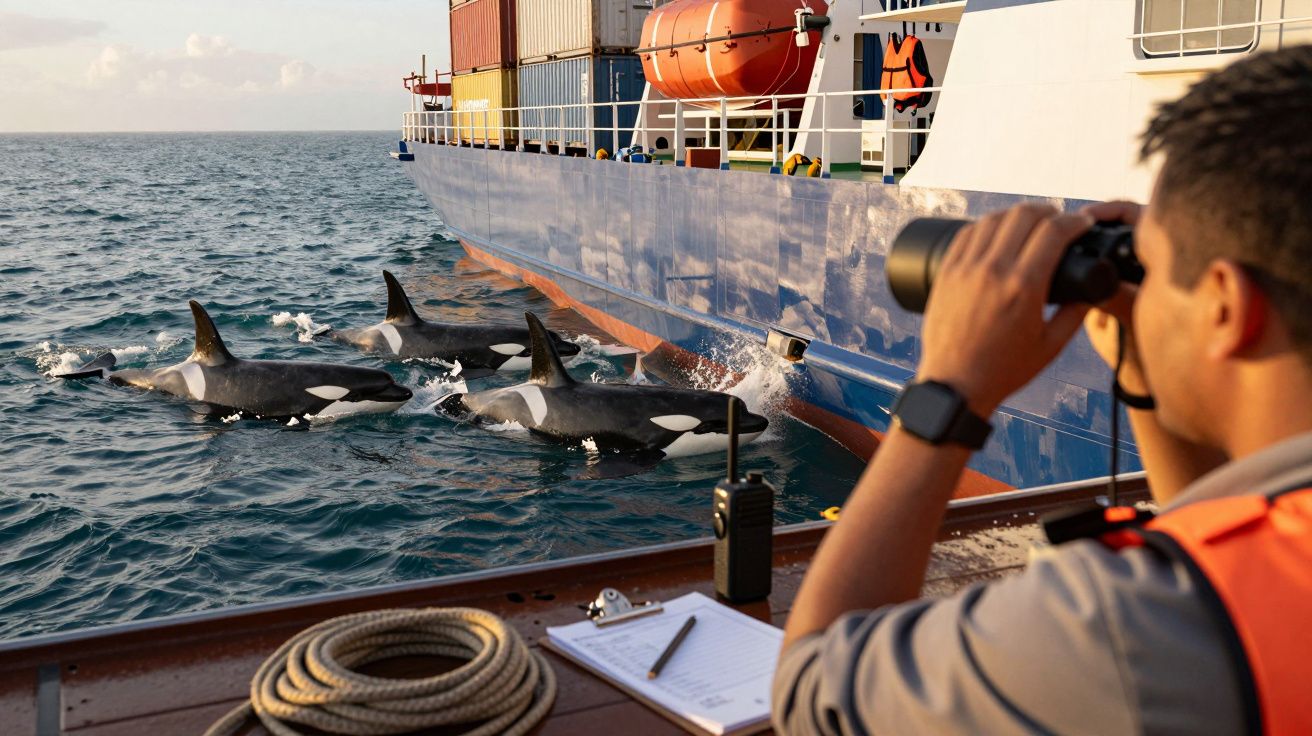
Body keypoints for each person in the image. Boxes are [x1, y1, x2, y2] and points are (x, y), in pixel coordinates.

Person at [773, 46, 1312, 735]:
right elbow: (1229, 533)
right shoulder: (1236, 584)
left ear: (1224, 308)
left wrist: (948, 388)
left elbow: (813, 693)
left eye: (1159, 267)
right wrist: (1144, 372)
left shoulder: (1136, 630)